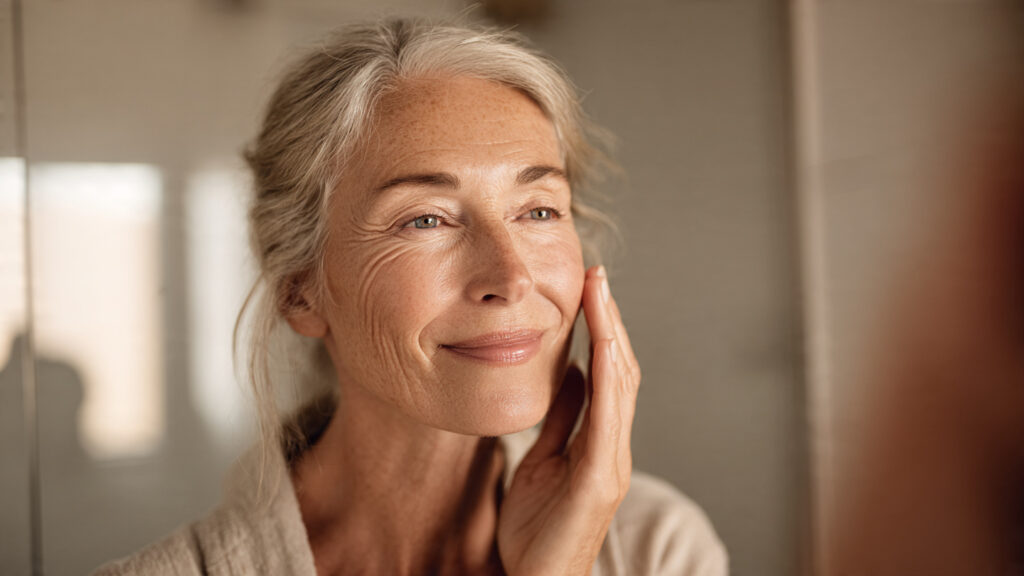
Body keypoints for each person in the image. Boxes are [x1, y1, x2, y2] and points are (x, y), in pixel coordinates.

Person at [94, 18, 726, 575]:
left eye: (538, 210)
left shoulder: (659, 549)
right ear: (300, 290)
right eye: (426, 220)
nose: (512, 279)